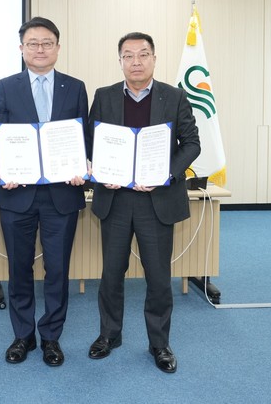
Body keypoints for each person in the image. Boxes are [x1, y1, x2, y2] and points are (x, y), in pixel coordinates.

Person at [87, 31, 200, 374]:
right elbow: (91, 142)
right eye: (128, 55)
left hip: (157, 201)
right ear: (120, 60)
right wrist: (98, 171)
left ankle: (159, 343)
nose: (136, 61)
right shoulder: (104, 96)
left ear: (154, 58)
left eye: (143, 54)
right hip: (116, 200)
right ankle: (109, 335)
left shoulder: (174, 96)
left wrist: (166, 173)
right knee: (111, 274)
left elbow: (192, 143)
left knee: (158, 277)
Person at [0, 17, 89, 366]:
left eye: (47, 43)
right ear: (22, 49)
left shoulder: (75, 87)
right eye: (33, 43)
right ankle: (23, 335)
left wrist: (81, 167)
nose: (40, 49)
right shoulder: (6, 86)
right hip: (18, 192)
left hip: (62, 193)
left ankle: (51, 337)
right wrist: (7, 166)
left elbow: (83, 136)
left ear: (58, 48)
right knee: (19, 268)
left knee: (57, 270)